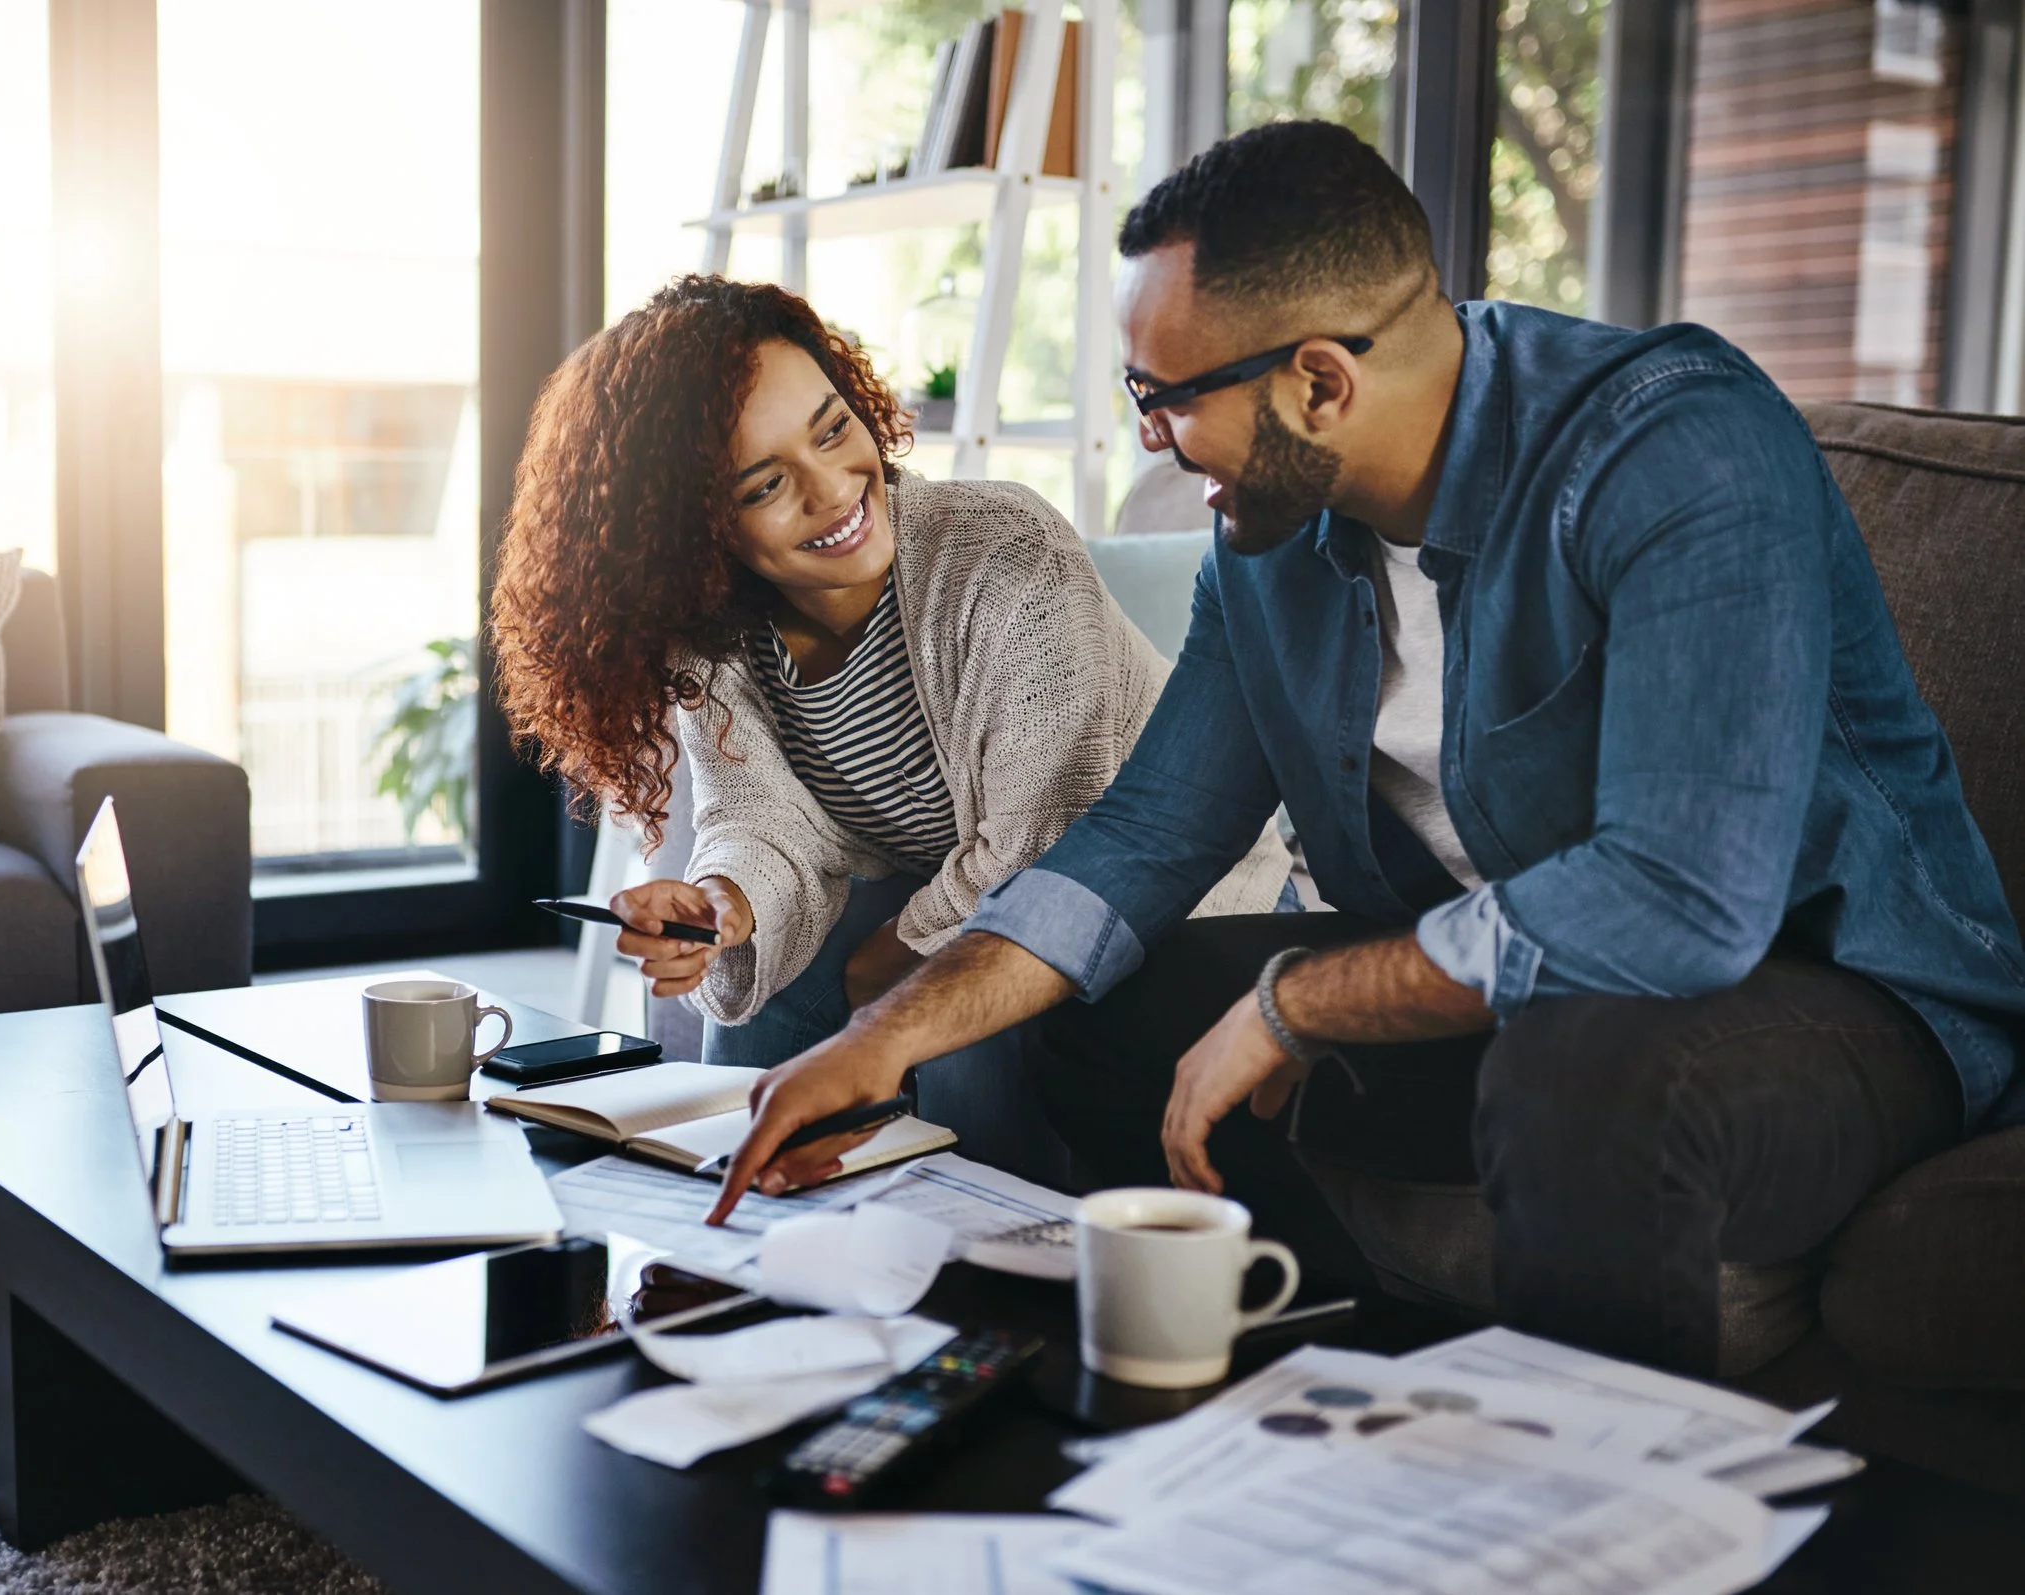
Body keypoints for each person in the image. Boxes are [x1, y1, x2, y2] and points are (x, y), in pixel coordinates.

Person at [708, 121, 2025, 1377]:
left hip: (1836, 1005)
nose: (1151, 438)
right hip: (1511, 999)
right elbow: (1143, 841)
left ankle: (1600, 1515)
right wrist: (880, 1034)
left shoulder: (1675, 449)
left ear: (1320, 380)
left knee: (1584, 1059)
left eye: (1162, 398)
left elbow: (1678, 903)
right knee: (1117, 1007)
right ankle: (1300, 1376)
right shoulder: (1270, 539)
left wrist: (1298, 1004)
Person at [490, 275, 1286, 1095]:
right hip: (967, 889)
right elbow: (761, 818)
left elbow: (1049, 846)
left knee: (963, 1040)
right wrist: (722, 904)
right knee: (766, 1005)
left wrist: (893, 964)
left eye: (834, 430)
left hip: (1171, 902)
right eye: (765, 485)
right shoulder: (718, 639)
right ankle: (744, 1196)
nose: (833, 489)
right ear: (694, 534)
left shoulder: (1004, 552)